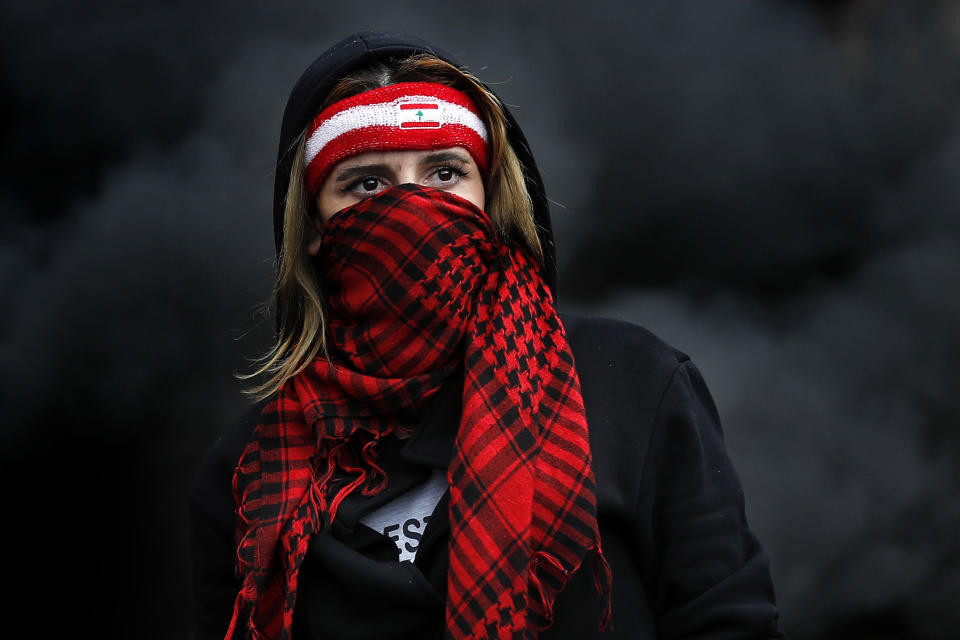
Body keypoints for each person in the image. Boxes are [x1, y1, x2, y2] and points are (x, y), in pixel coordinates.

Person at [189, 31, 787, 640]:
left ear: (489, 199)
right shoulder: (248, 469)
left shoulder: (635, 387)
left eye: (445, 172)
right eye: (367, 184)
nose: (414, 207)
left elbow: (729, 622)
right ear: (313, 224)